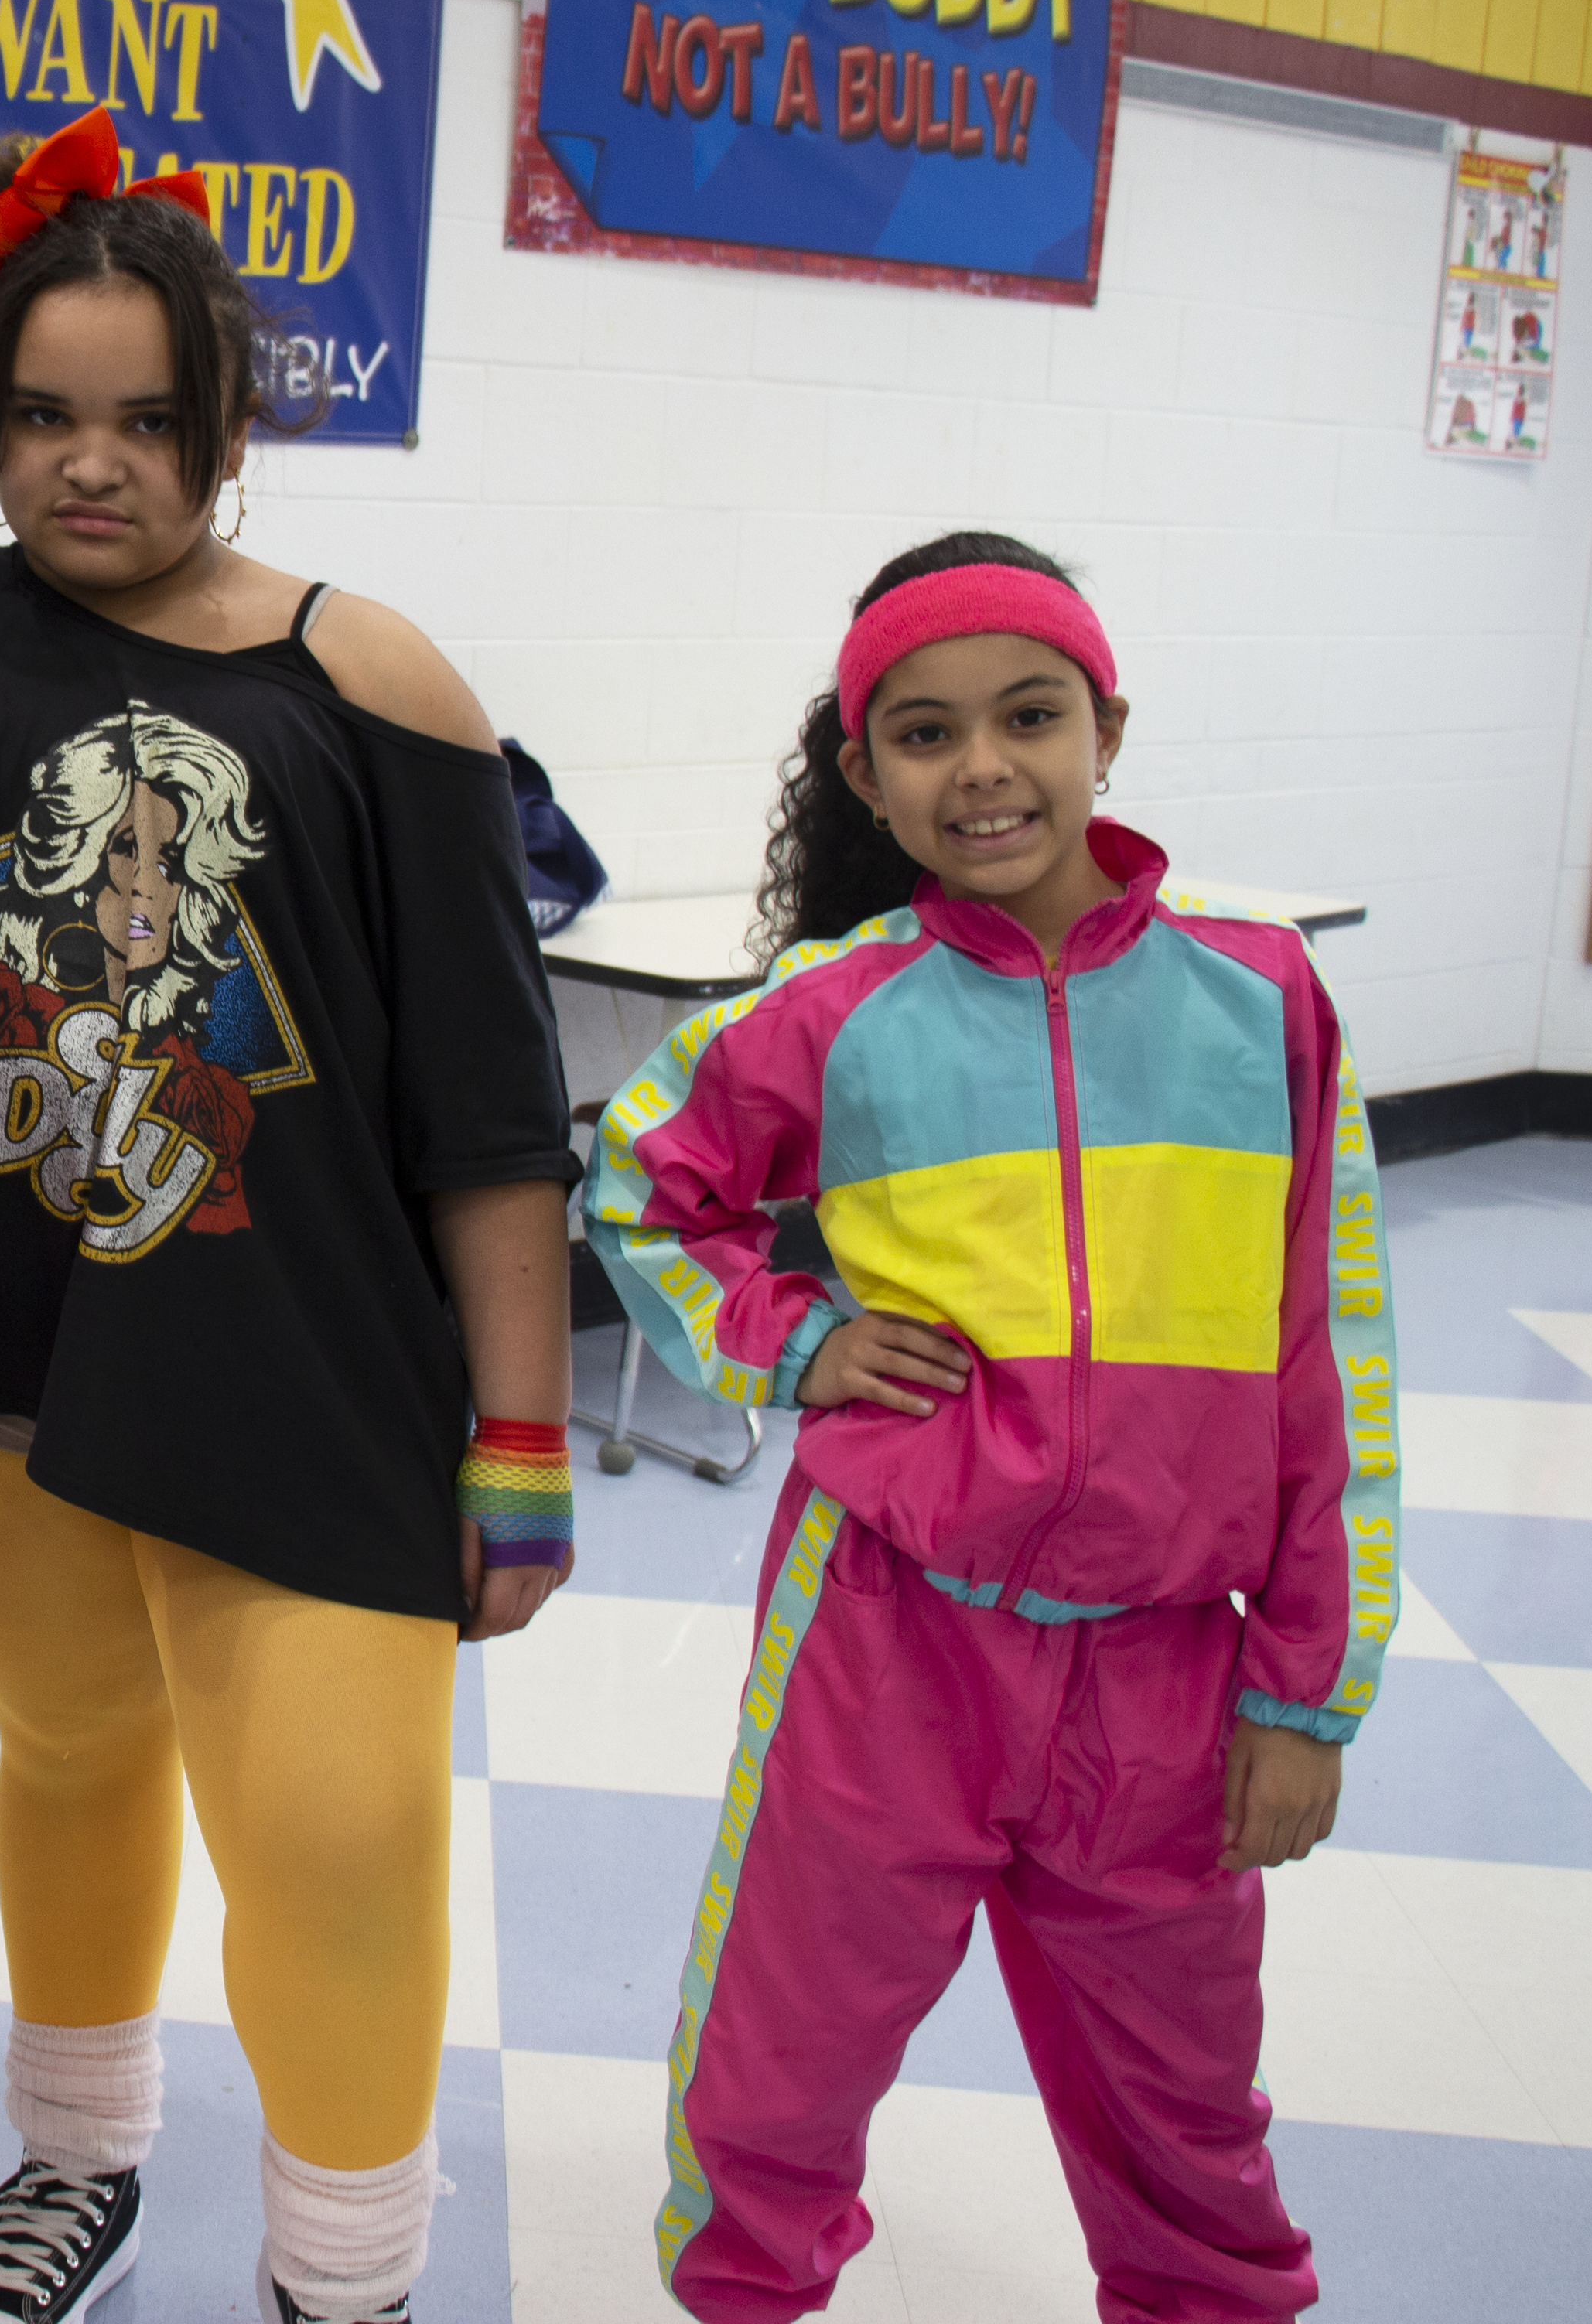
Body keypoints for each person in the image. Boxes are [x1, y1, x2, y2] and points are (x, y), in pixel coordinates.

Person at [0, 107, 582, 2324]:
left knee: (341, 1831)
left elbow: (495, 1118)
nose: (92, 466)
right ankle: (79, 2163)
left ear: (227, 427)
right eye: (42, 415)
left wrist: (518, 1438)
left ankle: (346, 2283)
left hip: (303, 1372)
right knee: (71, 1745)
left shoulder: (372, 682)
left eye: (150, 420)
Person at [587, 532, 1398, 2323]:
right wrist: (790, 1342)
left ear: (1108, 728)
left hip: (1177, 1671)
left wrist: (1306, 1693)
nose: (985, 770)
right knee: (782, 2055)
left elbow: (1327, 1355)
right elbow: (639, 1176)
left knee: (1188, 2102)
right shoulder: (837, 1009)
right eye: (928, 736)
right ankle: (747, 2295)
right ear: (867, 775)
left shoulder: (1262, 997)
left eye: (1029, 718)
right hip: (889, 1637)